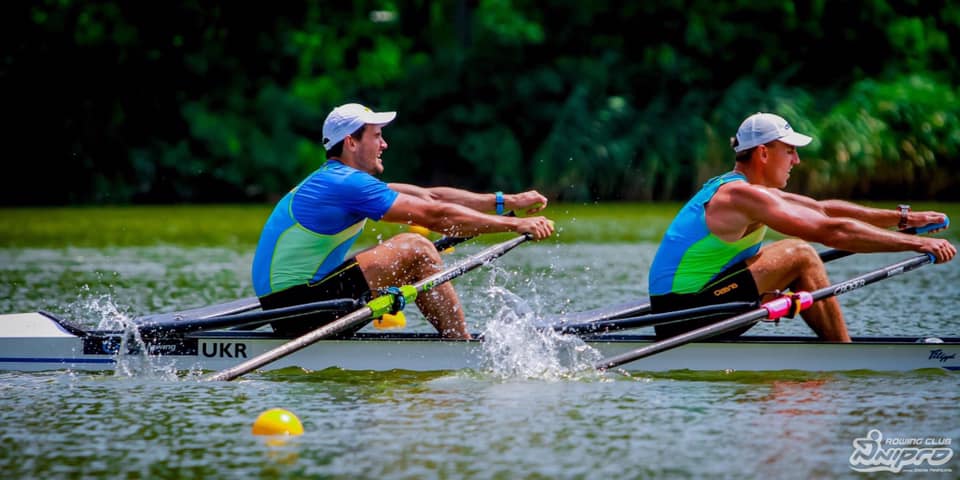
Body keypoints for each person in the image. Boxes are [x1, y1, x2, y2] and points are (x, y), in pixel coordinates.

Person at [252, 103, 555, 339]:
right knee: (416, 248)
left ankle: (456, 344)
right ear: (351, 142)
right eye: (377, 136)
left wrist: (507, 202)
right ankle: (461, 347)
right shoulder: (345, 184)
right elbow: (434, 216)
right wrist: (516, 225)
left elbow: (431, 198)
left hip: (294, 304)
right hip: (298, 308)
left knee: (402, 249)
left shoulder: (338, 180)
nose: (384, 144)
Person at [647, 112, 956, 342]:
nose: (796, 160)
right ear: (764, 153)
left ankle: (835, 350)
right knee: (800, 253)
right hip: (684, 315)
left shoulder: (747, 191)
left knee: (786, 254)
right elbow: (830, 232)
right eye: (790, 150)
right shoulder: (740, 195)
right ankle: (843, 355)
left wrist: (905, 218)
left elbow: (822, 210)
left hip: (692, 305)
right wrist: (917, 244)